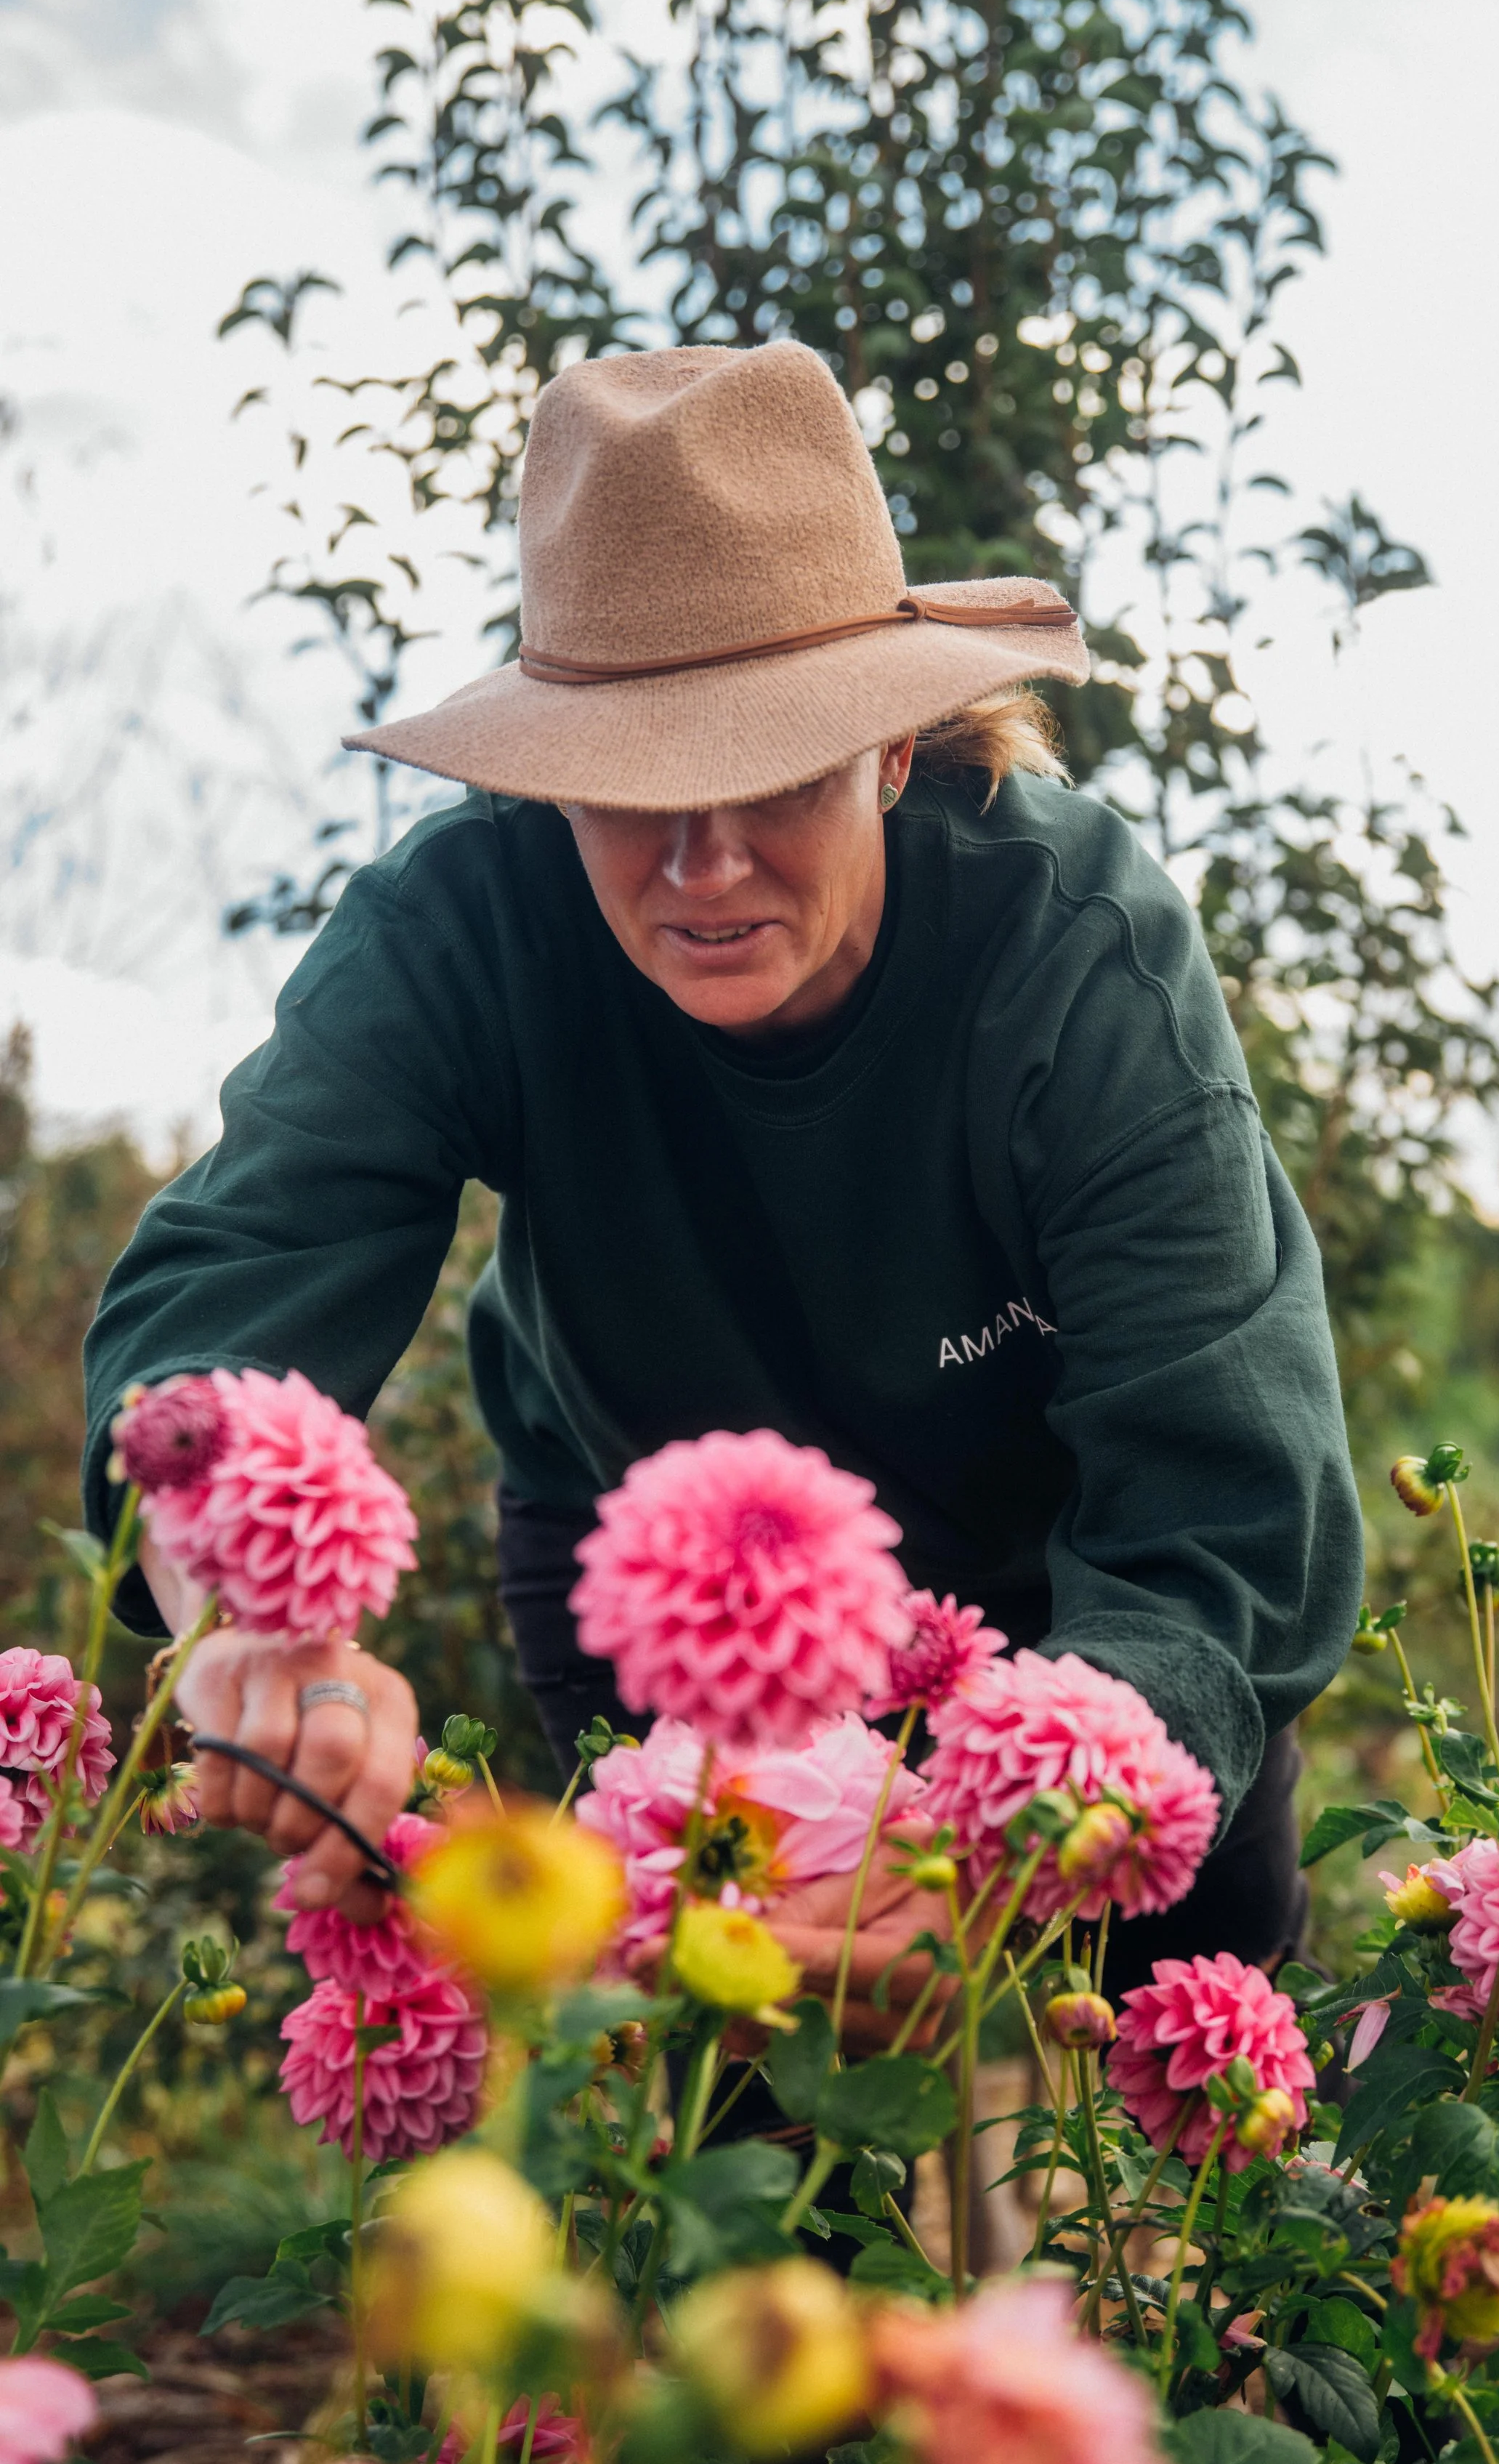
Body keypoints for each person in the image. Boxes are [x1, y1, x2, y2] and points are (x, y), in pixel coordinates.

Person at [82, 339, 1363, 2029]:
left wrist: (1021, 1816)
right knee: (736, 2109)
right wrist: (245, 1614)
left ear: (892, 751)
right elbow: (234, 1289)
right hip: (656, 1563)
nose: (702, 866)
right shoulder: (456, 925)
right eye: (629, 789)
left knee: (1175, 2089)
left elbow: (1224, 1506)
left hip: (1070, 1575)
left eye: (771, 774)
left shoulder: (1076, 955)